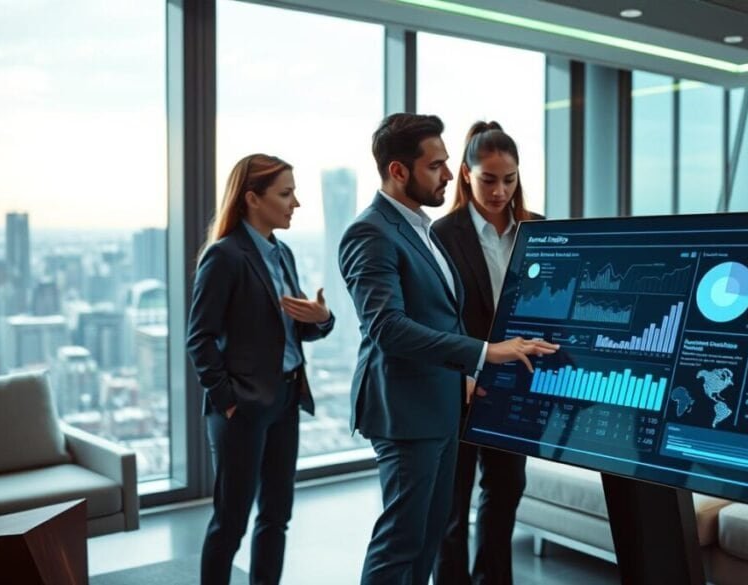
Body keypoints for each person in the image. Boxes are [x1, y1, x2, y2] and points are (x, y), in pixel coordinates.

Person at [339, 113, 558, 585]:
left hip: (438, 402)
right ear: (399, 171)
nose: (445, 174)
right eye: (436, 165)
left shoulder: (416, 228)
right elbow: (387, 327)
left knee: (424, 540)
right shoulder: (372, 232)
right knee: (402, 541)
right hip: (407, 408)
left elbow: (443, 313)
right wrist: (484, 354)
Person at [187, 154, 335, 585]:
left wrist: (321, 318)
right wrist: (228, 402)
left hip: (286, 399)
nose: (296, 203)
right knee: (231, 522)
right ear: (252, 198)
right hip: (243, 410)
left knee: (276, 516)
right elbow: (200, 339)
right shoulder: (225, 256)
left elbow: (297, 330)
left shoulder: (282, 253)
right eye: (286, 194)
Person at [431, 121, 542, 585]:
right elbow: (437, 316)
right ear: (465, 175)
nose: (500, 191)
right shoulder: (442, 233)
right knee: (452, 507)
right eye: (489, 179)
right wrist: (462, 372)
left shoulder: (537, 228)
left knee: (505, 491)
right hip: (462, 383)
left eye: (509, 179)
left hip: (514, 382)